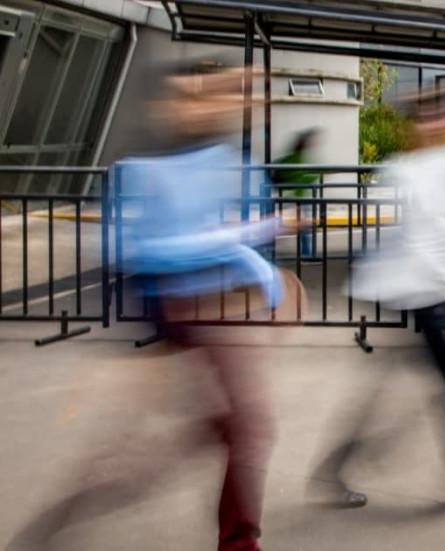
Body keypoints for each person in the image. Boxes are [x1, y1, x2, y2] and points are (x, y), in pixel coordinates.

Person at [7, 60, 282, 551]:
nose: (209, 104)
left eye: (218, 94)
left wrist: (258, 270)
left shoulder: (237, 166)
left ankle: (238, 540)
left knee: (247, 427)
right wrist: (245, 239)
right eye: (194, 95)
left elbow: (239, 239)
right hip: (168, 310)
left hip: (216, 313)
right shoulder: (138, 172)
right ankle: (47, 532)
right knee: (143, 460)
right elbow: (141, 250)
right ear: (167, 106)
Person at [310, 92, 445, 511]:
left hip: (439, 293)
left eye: (442, 117)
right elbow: (428, 243)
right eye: (428, 119)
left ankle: (337, 467)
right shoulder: (402, 174)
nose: (437, 125)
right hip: (419, 293)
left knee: (421, 391)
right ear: (414, 126)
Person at [272, 129, 321, 259]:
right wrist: (314, 176)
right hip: (296, 196)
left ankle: (305, 252)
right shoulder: (298, 158)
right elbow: (301, 178)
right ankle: (306, 253)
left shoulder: (293, 157)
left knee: (300, 223)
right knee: (303, 224)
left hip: (292, 196)